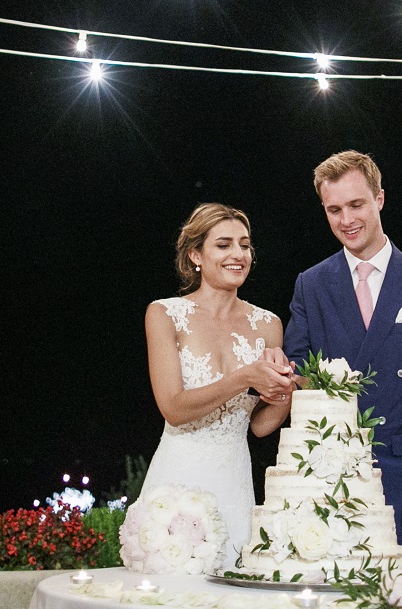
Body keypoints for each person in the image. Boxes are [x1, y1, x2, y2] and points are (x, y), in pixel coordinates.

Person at [282, 150, 402, 563]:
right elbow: (296, 381)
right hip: (331, 484)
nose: (346, 220)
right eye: (334, 209)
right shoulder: (311, 286)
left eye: (356, 204)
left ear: (380, 199)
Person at [141, 202, 295, 568]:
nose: (238, 254)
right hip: (177, 480)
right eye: (223, 245)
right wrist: (244, 377)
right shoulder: (164, 314)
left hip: (234, 480)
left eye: (244, 244)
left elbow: (259, 425)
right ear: (195, 254)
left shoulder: (268, 324)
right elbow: (174, 409)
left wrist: (286, 388)